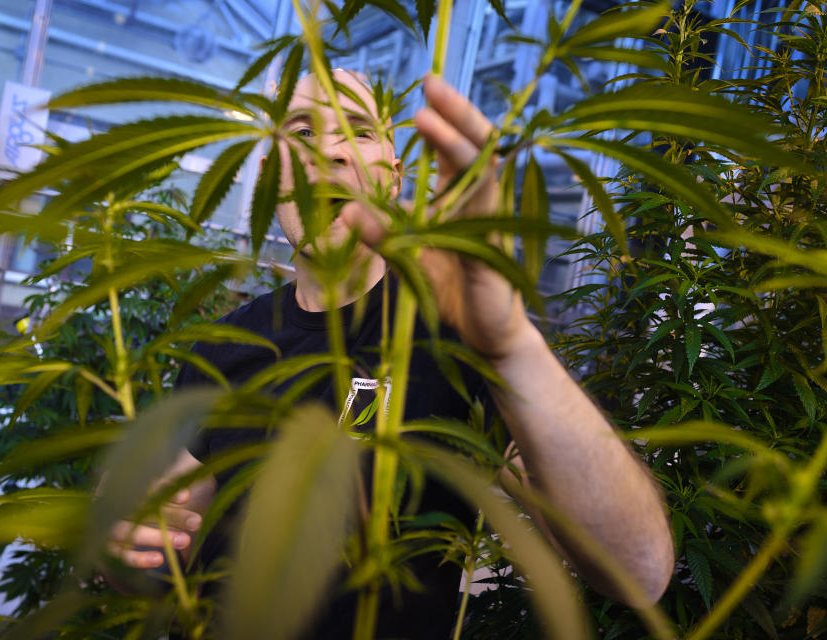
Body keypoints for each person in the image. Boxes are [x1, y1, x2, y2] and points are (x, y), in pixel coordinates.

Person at [107, 69, 675, 636]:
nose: (329, 153)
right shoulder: (226, 345)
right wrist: (126, 542)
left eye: (357, 131)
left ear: (395, 173)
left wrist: (511, 347)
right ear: (267, 174)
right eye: (302, 132)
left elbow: (637, 572)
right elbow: (160, 544)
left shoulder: (454, 339)